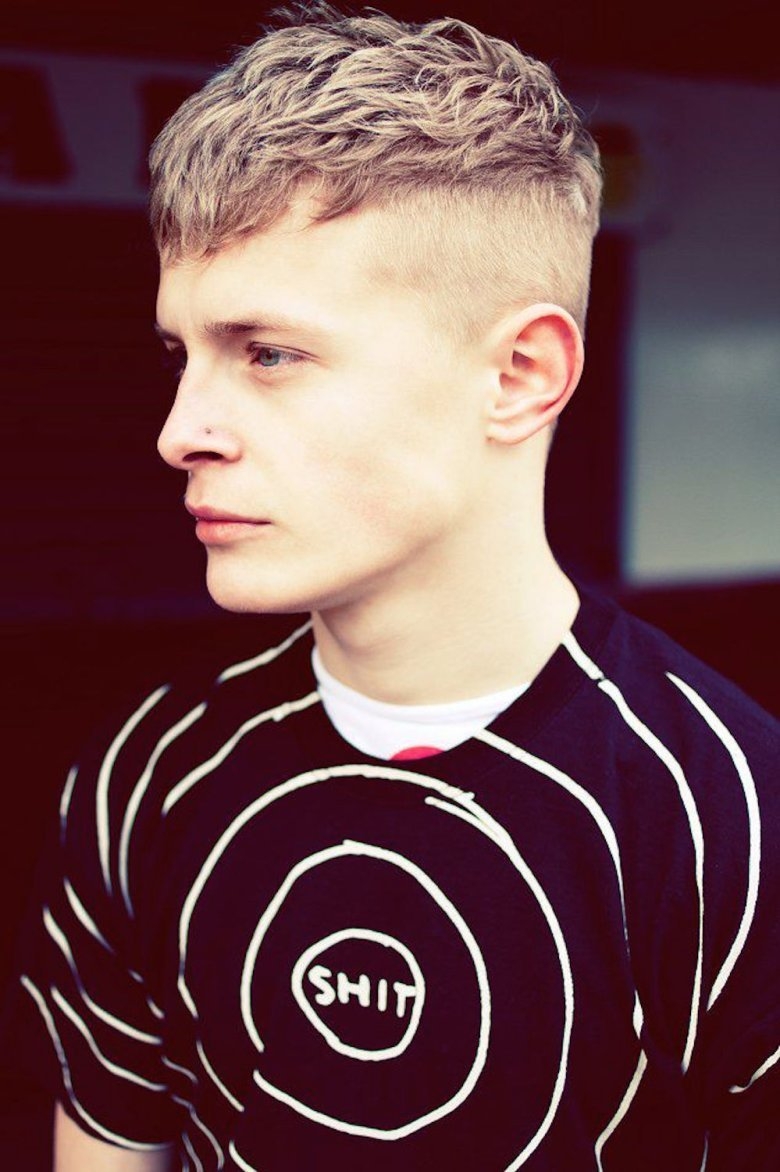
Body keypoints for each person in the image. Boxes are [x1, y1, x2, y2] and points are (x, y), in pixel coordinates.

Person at [3, 4, 777, 1169]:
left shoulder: (737, 826)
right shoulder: (144, 779)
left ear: (519, 373)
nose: (180, 430)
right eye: (182, 355)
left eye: (268, 353)